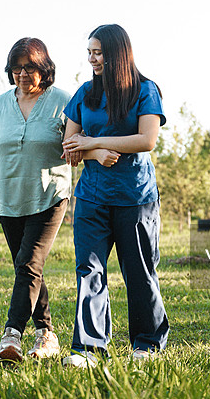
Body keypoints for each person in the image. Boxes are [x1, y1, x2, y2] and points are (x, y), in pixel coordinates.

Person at [60, 24, 169, 368]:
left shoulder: (145, 90)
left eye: (98, 53)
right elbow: (69, 145)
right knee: (89, 271)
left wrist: (94, 141)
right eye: (89, 52)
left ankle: (147, 345)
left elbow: (146, 140)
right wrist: (93, 152)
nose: (92, 59)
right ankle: (89, 350)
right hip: (92, 197)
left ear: (117, 54)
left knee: (139, 271)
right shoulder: (85, 93)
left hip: (135, 197)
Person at [0, 37, 72, 362]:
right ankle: (46, 334)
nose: (21, 74)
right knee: (27, 268)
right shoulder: (0, 105)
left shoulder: (63, 102)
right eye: (16, 68)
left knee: (29, 264)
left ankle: (12, 335)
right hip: (8, 198)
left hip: (49, 195)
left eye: (29, 67)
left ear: (43, 68)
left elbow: (76, 145)